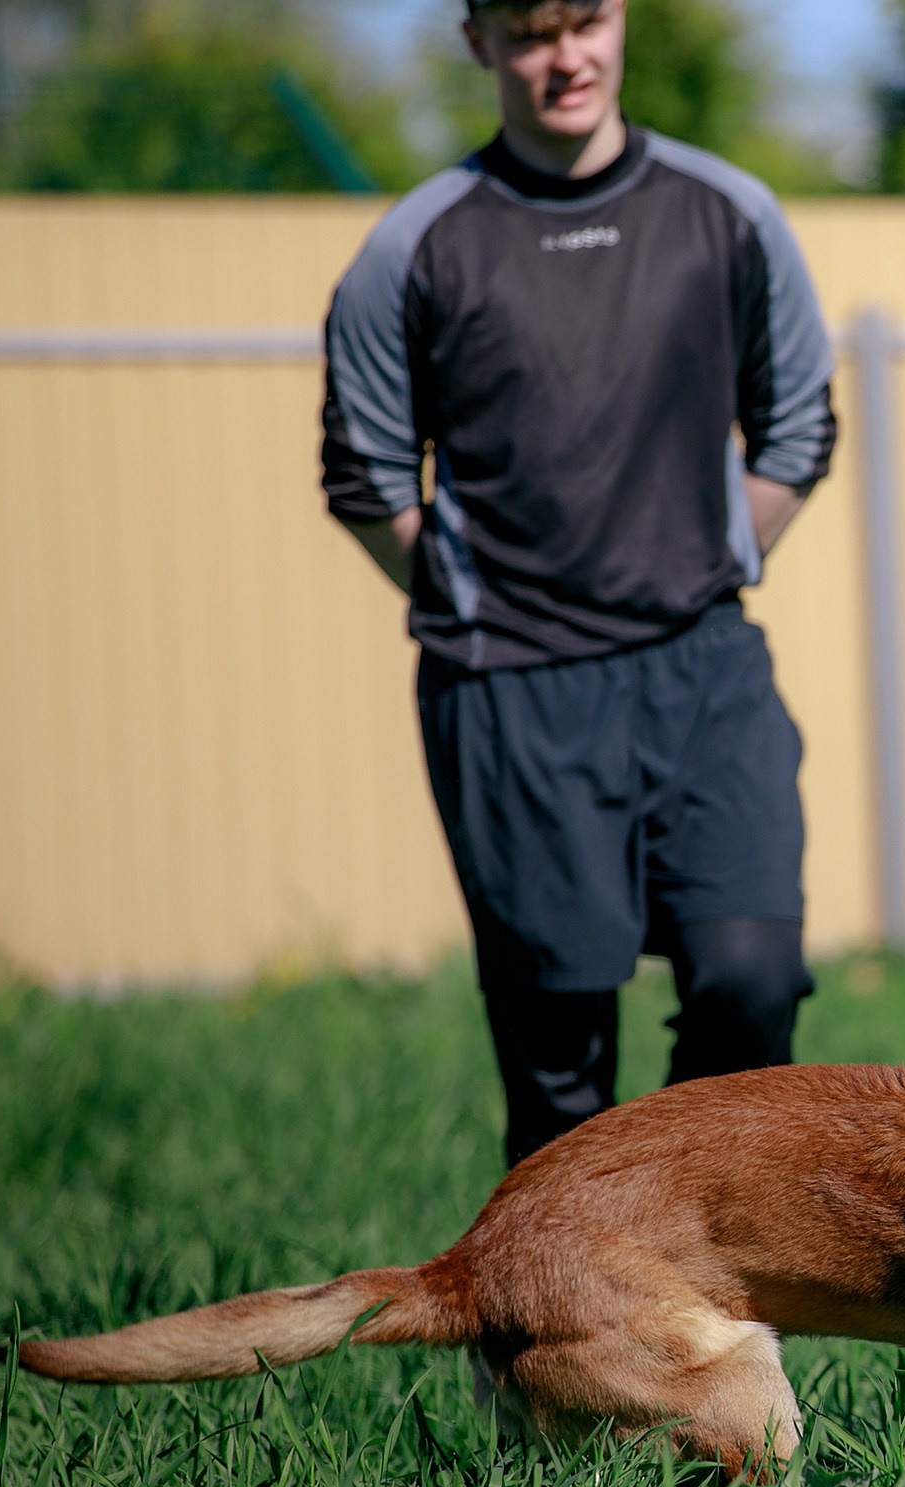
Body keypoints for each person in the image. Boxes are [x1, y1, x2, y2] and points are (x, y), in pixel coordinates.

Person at [319, 0, 837, 1167]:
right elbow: (363, 471)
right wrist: (475, 596)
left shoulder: (727, 213)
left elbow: (800, 425)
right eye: (533, 33)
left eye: (587, 20)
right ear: (481, 43)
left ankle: (679, 1250)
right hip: (509, 689)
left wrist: (711, 560)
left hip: (703, 670)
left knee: (751, 983)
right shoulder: (420, 244)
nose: (567, 58)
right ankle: (557, 1327)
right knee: (559, 1068)